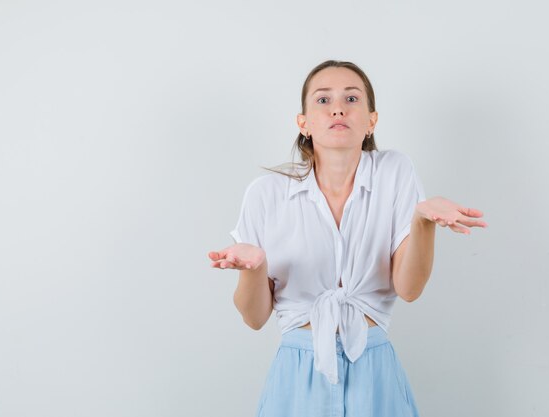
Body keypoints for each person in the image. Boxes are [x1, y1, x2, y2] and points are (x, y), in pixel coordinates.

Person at [208, 60, 487, 417]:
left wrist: (422, 221)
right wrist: (254, 267)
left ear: (371, 120)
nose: (338, 107)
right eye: (323, 100)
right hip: (297, 371)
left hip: (374, 368)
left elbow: (410, 289)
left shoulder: (395, 171)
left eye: (351, 98)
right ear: (303, 123)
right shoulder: (266, 194)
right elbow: (255, 317)